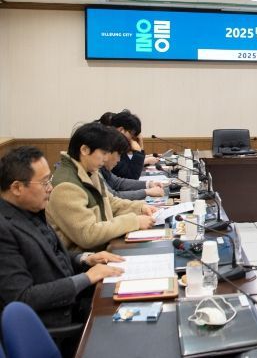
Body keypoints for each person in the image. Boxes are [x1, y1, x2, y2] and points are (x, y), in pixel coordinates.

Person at [0, 146, 124, 331]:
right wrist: (86, 278)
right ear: (17, 187)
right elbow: (23, 298)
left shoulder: (31, 210)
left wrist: (85, 258)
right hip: (56, 323)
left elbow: (53, 257)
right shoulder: (4, 229)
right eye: (44, 183)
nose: (50, 188)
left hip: (75, 301)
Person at [46, 122, 157, 251]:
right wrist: (134, 222)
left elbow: (109, 202)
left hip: (104, 247)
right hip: (87, 257)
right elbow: (88, 234)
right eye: (103, 153)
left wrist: (140, 208)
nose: (105, 159)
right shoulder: (66, 186)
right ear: (84, 150)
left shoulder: (89, 171)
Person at [100, 130, 165, 200]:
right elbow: (113, 197)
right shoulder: (96, 170)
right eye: (118, 155)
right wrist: (146, 192)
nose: (119, 160)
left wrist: (148, 184)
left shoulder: (101, 168)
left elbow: (117, 182)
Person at [104, 109, 158, 179]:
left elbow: (130, 167)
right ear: (121, 130)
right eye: (132, 134)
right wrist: (138, 151)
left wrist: (140, 144)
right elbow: (132, 176)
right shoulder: (109, 146)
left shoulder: (118, 145)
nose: (132, 139)